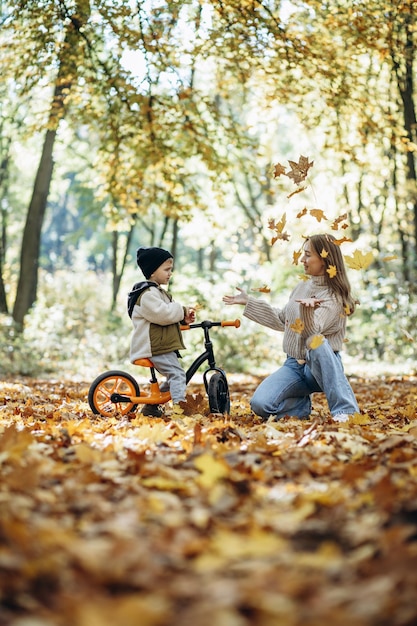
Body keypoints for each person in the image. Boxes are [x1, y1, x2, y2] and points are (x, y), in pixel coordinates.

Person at [223, 233, 360, 422]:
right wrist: (249, 302)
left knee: (316, 343)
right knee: (260, 404)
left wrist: (306, 311)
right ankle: (300, 407)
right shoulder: (302, 285)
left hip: (320, 367)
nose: (303, 260)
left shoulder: (334, 296)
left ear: (324, 259)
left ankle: (346, 410)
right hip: (294, 365)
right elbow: (283, 320)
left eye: (308, 255)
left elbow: (313, 334)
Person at [128, 246, 195, 417]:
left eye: (170, 269)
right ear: (152, 271)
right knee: (178, 374)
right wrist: (181, 309)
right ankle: (180, 410)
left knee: (173, 376)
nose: (170, 273)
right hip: (153, 347)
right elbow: (162, 314)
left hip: (160, 345)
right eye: (166, 269)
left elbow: (165, 316)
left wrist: (183, 318)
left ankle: (152, 407)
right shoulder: (147, 294)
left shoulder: (158, 293)